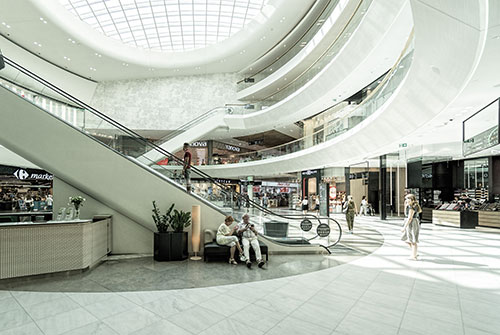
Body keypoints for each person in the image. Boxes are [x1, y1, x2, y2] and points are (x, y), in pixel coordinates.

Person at [401, 194, 422, 260]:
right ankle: (414, 252)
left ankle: (414, 255)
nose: (406, 200)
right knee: (407, 239)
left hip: (412, 224)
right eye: (406, 199)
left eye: (408, 199)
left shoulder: (412, 207)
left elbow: (410, 218)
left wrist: (404, 227)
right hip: (410, 223)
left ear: (412, 200)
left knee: (413, 240)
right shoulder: (410, 206)